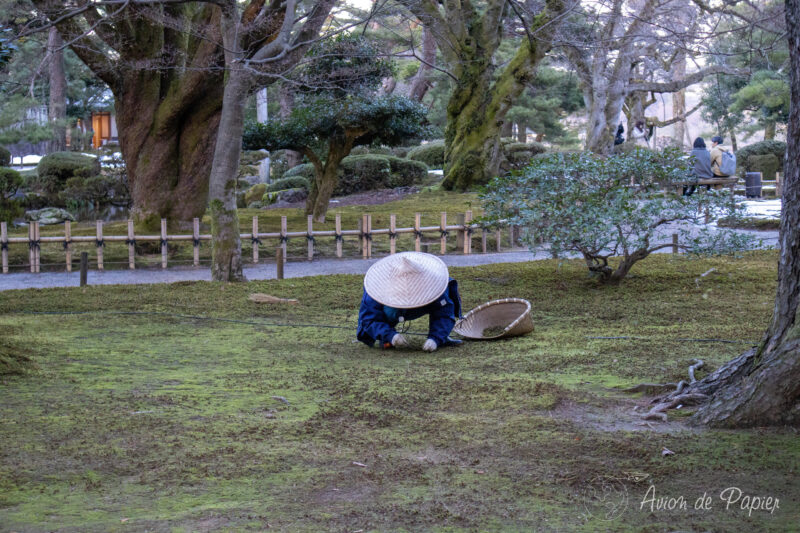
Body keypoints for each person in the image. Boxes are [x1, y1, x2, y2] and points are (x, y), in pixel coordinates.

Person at [357, 252, 463, 352]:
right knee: (387, 315)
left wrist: (436, 339)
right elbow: (368, 319)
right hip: (393, 311)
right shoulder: (375, 290)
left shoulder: (436, 284)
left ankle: (442, 336)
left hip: (424, 301)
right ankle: (386, 338)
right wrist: (390, 336)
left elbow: (444, 312)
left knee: (441, 305)